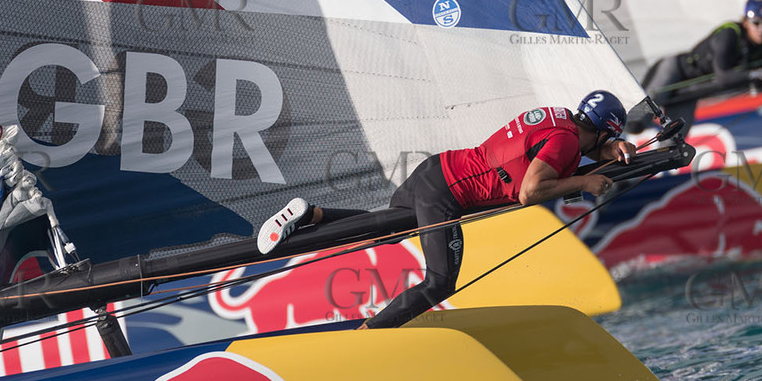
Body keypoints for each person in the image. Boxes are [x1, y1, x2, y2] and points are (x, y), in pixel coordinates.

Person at [254, 90, 634, 329]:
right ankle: (367, 335)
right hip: (447, 194)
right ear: (605, 131)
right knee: (440, 283)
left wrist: (604, 152)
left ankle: (312, 214)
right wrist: (585, 183)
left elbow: (556, 152)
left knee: (387, 230)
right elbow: (529, 191)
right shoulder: (566, 142)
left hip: (435, 169)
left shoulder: (560, 119)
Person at [639, 0, 762, 124]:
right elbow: (724, 78)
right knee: (636, 122)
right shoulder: (729, 34)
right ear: (745, 22)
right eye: (756, 23)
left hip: (692, 89)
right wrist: (761, 73)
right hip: (674, 71)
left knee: (675, 141)